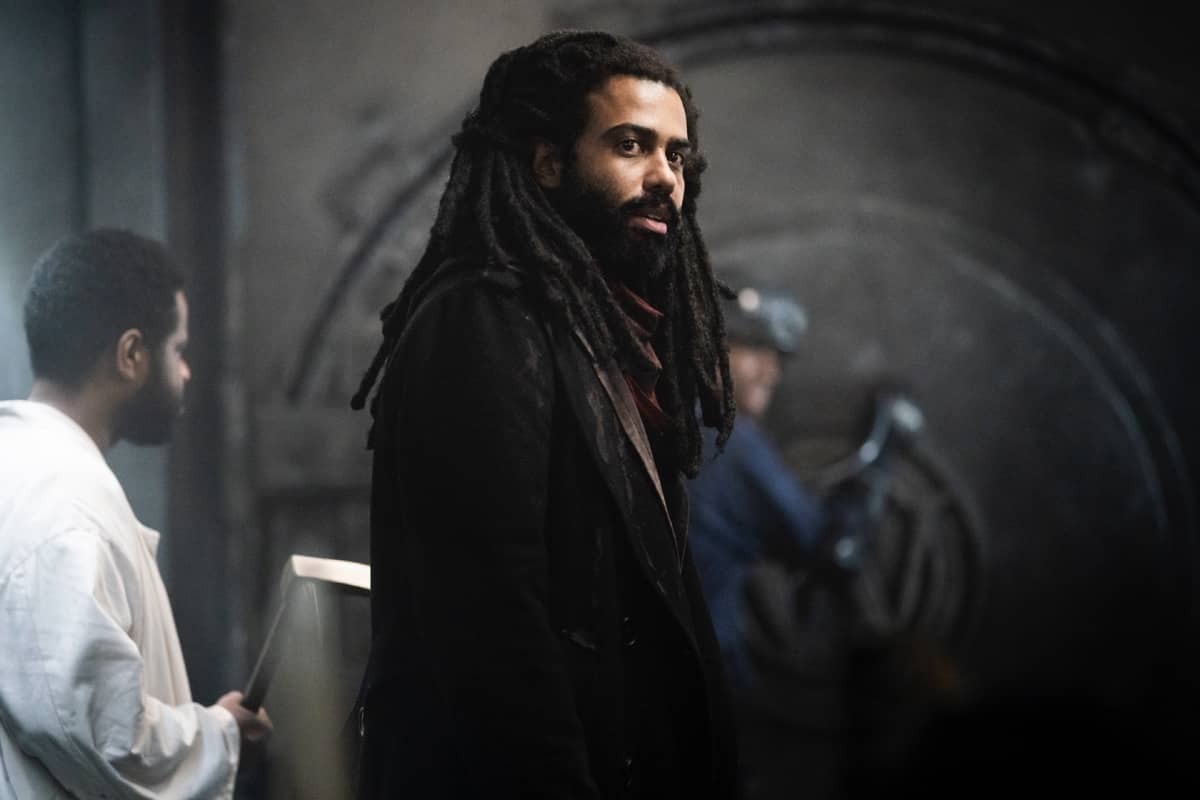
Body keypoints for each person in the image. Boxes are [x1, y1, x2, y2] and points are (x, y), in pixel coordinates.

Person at [348, 30, 738, 799]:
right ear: (548, 163)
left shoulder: (603, 334)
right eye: (631, 145)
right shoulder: (484, 317)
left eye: (676, 155)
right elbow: (491, 621)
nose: (664, 177)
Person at [0, 229, 271, 799]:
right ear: (130, 355)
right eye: (178, 351)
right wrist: (221, 734)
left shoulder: (27, 468)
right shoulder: (63, 506)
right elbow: (104, 739)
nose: (186, 372)